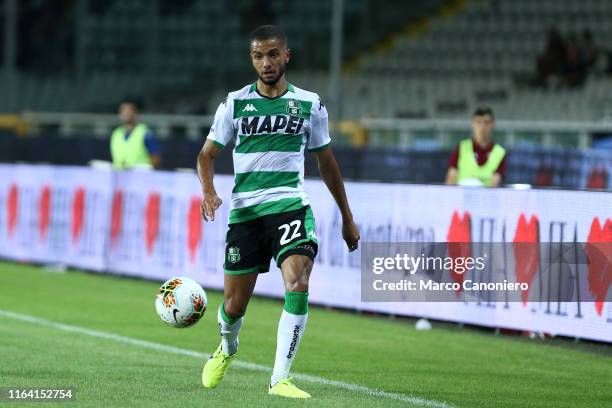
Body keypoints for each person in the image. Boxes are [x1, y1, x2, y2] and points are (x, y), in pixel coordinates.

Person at [196, 25, 360, 399]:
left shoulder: (309, 104)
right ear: (251, 59)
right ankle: (227, 346)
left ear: (287, 55)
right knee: (235, 306)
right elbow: (206, 154)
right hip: (246, 214)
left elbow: (327, 163)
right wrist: (209, 191)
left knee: (298, 281)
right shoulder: (235, 103)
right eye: (258, 56)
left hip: (290, 206)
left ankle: (280, 378)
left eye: (272, 54)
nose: (265, 62)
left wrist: (347, 218)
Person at [445, 107, 506, 187]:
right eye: (478, 122)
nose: (482, 127)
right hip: (461, 196)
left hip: (486, 197)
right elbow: (451, 178)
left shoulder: (500, 152)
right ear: (473, 123)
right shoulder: (462, 147)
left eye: (486, 122)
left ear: (493, 124)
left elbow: (495, 182)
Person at [110, 101, 161, 169]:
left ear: (136, 114)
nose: (126, 113)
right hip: (119, 176)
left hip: (139, 177)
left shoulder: (145, 133)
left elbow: (155, 159)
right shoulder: (116, 134)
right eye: (124, 111)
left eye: (129, 110)